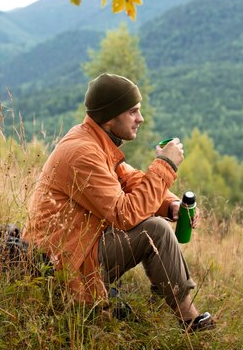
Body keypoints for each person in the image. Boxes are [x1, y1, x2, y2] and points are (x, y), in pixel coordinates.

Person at [22, 73, 213, 331]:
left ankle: (166, 298)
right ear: (111, 117)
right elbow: (126, 213)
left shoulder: (93, 140)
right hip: (61, 263)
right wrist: (165, 165)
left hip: (80, 244)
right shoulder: (83, 152)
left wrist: (171, 205)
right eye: (133, 111)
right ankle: (190, 321)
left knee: (155, 220)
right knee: (154, 230)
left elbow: (129, 179)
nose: (140, 119)